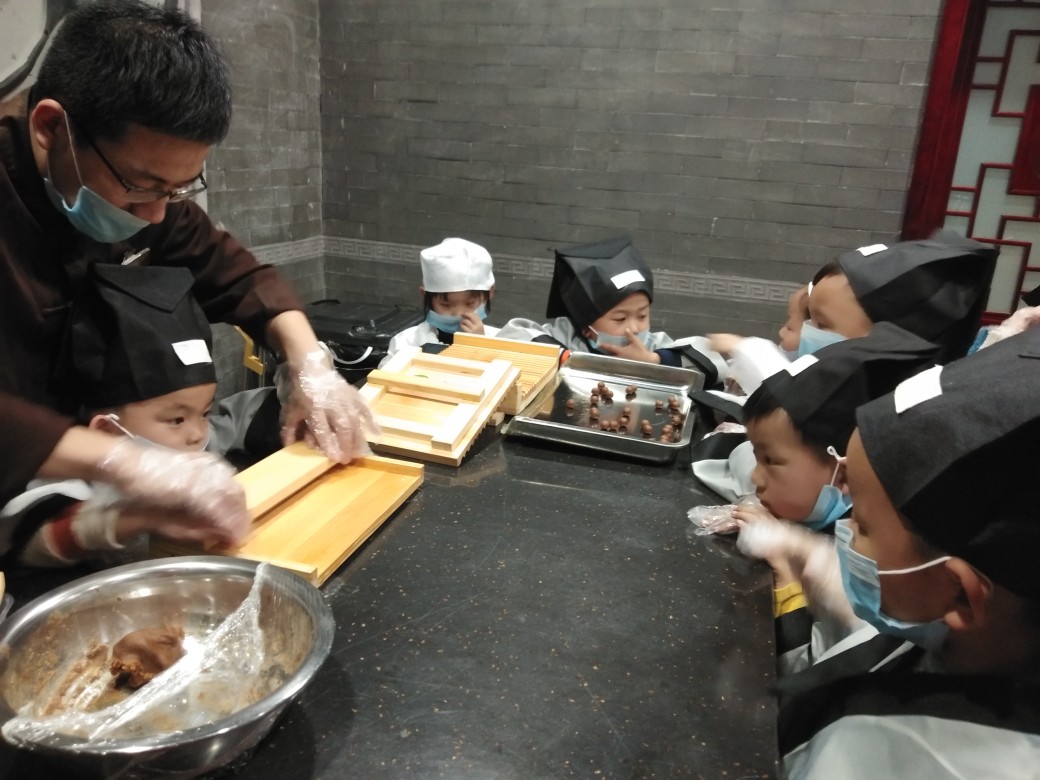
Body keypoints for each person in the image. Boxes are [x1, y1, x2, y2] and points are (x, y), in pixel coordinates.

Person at [0, 0, 374, 541]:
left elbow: (241, 278)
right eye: (141, 186)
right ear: (51, 126)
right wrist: (126, 463)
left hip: (69, 504)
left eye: (178, 189)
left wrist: (310, 365)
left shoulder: (147, 199)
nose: (157, 214)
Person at [771, 327, 1040, 776]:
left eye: (862, 524)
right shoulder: (944, 632)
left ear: (960, 594)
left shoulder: (913, 758)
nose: (843, 529)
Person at [3, 264, 278, 566]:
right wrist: (138, 517)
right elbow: (31, 541)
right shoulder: (65, 483)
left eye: (204, 411)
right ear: (107, 431)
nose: (198, 434)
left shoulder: (191, 443)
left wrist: (292, 396)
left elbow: (240, 416)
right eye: (176, 419)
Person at [729, 324, 941, 673]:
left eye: (769, 460)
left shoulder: (873, 568)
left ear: (844, 473)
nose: (755, 476)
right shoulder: (809, 505)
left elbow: (816, 668)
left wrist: (790, 578)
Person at [496, 236, 727, 378]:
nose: (634, 328)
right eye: (620, 319)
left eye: (642, 316)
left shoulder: (651, 346)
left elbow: (715, 363)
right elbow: (510, 337)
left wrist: (653, 361)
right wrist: (567, 358)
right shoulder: (566, 336)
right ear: (587, 327)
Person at [380, 237, 499, 366]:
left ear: (490, 293)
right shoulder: (406, 342)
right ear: (425, 295)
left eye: (470, 303)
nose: (458, 313)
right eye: (446, 305)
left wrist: (481, 347)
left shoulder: (501, 341)